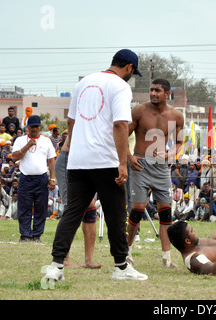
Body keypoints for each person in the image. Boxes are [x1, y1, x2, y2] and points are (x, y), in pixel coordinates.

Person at [44, 49, 147, 283]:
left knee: (72, 213)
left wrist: (77, 146)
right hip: (105, 160)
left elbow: (71, 120)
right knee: (115, 215)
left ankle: (55, 266)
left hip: (78, 160)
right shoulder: (120, 86)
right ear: (130, 68)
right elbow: (120, 124)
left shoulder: (84, 82)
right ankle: (121, 267)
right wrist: (123, 163)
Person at [127, 78, 184, 269]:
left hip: (161, 166)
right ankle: (126, 254)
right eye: (151, 90)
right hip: (140, 163)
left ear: (167, 94)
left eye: (157, 90)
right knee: (137, 208)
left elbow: (179, 142)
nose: (153, 93)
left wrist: (170, 153)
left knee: (166, 212)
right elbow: (121, 135)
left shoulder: (176, 116)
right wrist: (129, 157)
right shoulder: (139, 111)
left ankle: (166, 258)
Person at [53, 129, 102, 269]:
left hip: (89, 162)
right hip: (70, 160)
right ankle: (64, 258)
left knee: (91, 206)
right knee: (73, 209)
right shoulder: (83, 114)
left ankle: (89, 260)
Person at [12, 115, 56, 242]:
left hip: (42, 178)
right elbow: (14, 158)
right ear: (28, 127)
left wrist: (52, 179)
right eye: (32, 127)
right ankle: (25, 235)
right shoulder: (20, 140)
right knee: (24, 207)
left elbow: (51, 160)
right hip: (26, 178)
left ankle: (37, 235)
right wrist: (28, 145)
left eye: (37, 126)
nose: (34, 129)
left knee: (41, 208)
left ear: (40, 127)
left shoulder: (46, 141)